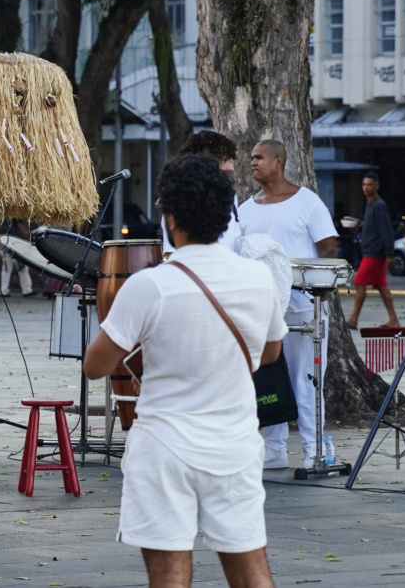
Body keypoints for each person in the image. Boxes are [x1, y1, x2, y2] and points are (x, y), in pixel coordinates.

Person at [84, 155, 286, 588]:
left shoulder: (149, 285)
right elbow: (270, 354)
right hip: (234, 447)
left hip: (163, 448)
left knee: (170, 577)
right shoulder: (257, 278)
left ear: (171, 218)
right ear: (223, 214)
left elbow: (94, 366)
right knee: (251, 572)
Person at [237, 139, 339, 470]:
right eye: (251, 158)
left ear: (278, 161)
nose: (252, 163)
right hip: (263, 310)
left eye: (259, 157)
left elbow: (328, 249)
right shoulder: (245, 209)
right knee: (269, 378)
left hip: (304, 306)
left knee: (306, 379)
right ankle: (274, 446)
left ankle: (315, 447)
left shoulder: (308, 203)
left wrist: (317, 287)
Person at [161, 130, 241, 254]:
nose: (231, 167)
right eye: (225, 160)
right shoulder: (181, 198)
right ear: (207, 160)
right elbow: (171, 253)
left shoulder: (229, 195)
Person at [345, 172, 399, 329]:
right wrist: (358, 227)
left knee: (359, 281)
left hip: (375, 253)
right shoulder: (369, 205)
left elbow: (386, 231)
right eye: (364, 184)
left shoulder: (379, 205)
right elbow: (372, 228)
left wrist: (389, 253)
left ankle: (354, 318)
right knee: (382, 286)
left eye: (369, 184)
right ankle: (394, 320)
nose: (366, 187)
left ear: (376, 186)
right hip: (371, 251)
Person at [0, 219, 34, 296]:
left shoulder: (5, 218)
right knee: (23, 268)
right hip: (16, 245)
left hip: (5, 244)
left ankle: (4, 290)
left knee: (6, 269)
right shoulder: (17, 216)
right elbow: (21, 227)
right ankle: (27, 290)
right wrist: (28, 240)